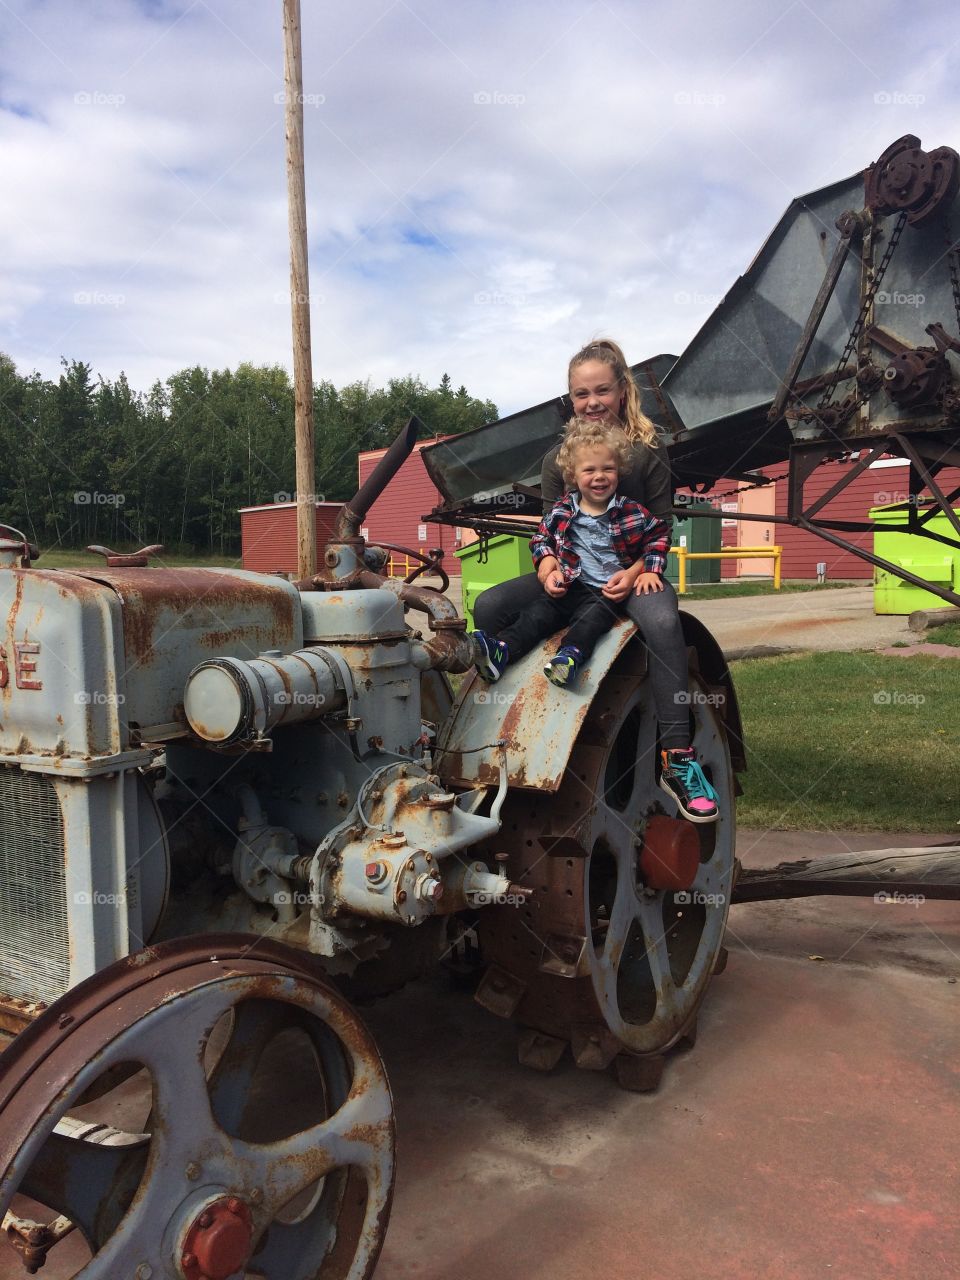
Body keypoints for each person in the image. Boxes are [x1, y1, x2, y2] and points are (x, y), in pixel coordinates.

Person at [472, 337, 718, 824]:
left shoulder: (648, 455)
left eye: (601, 391)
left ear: (623, 391)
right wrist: (546, 567)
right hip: (576, 577)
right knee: (490, 607)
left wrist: (636, 573)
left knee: (664, 625)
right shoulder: (557, 462)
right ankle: (498, 737)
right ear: (571, 399)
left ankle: (677, 758)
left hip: (633, 573)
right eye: (581, 395)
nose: (592, 403)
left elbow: (662, 526)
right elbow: (548, 530)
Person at [471, 416, 670, 686]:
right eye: (589, 470)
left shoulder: (631, 512)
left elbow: (658, 535)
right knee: (536, 615)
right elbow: (541, 538)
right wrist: (547, 564)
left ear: (619, 471)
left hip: (606, 591)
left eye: (608, 468)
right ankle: (502, 650)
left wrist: (649, 570)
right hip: (570, 585)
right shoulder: (562, 510)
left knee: (590, 622)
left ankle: (570, 658)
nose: (599, 476)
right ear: (573, 475)